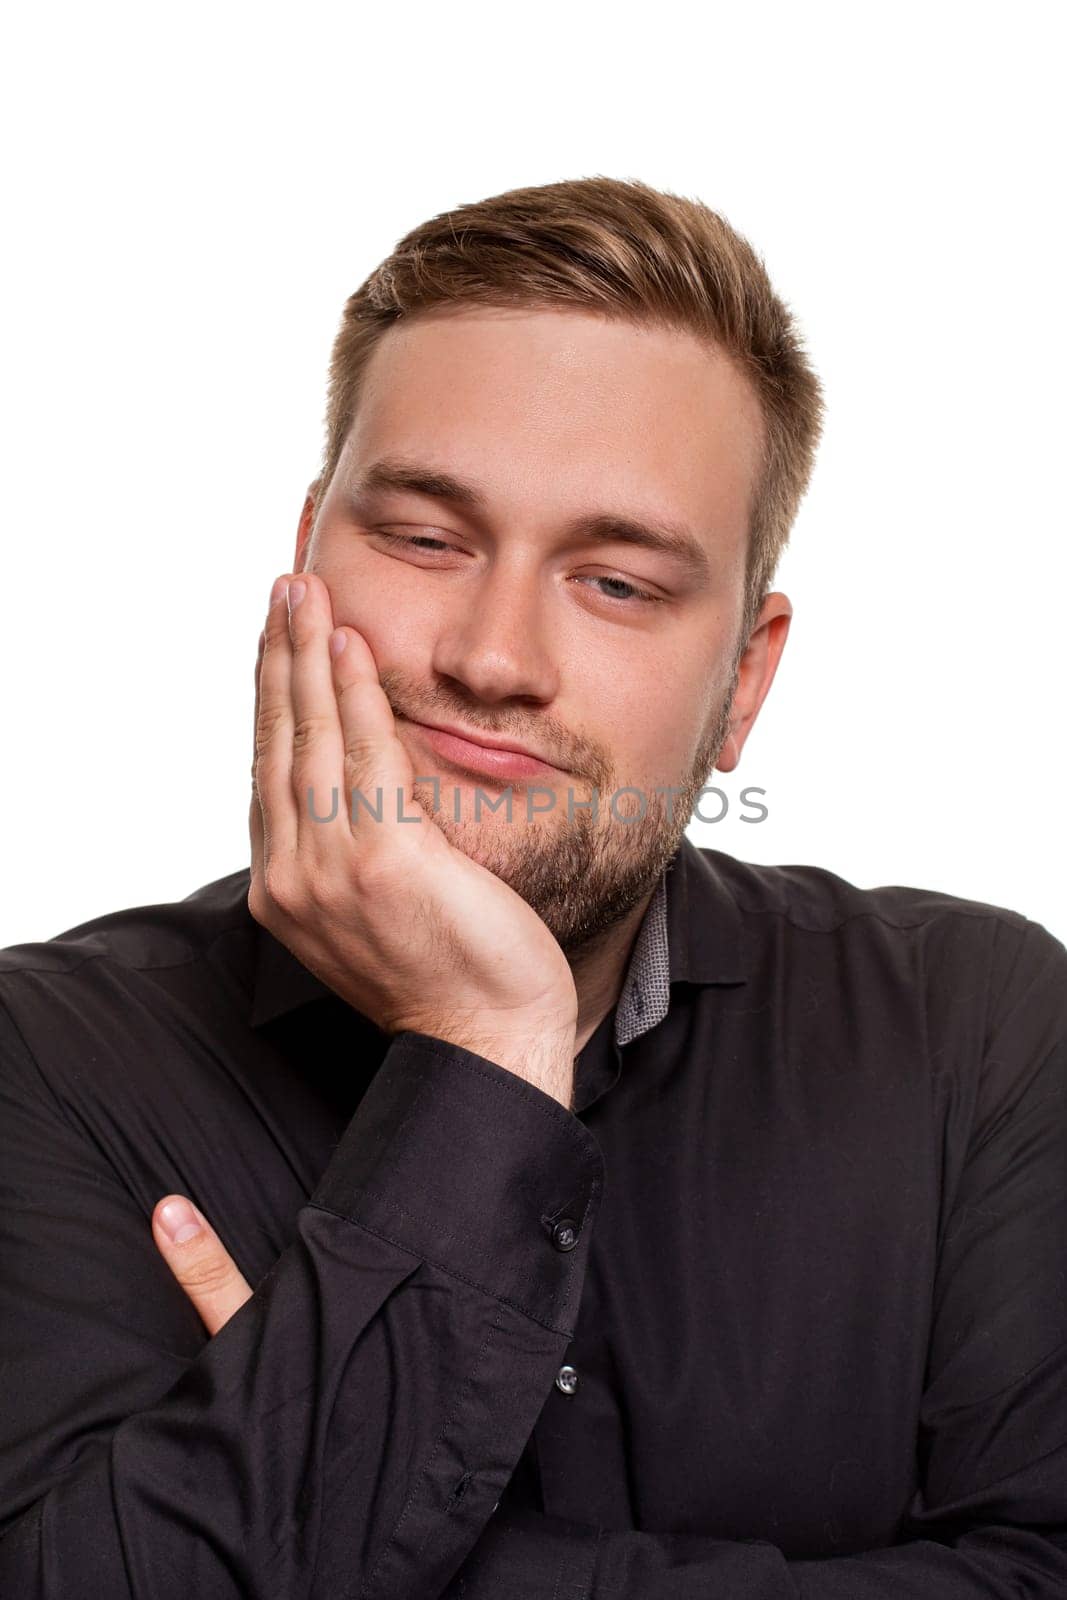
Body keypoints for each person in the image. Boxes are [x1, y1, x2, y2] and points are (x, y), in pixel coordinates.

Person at [0, 175, 1064, 1599]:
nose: (494, 657)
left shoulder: (980, 1033)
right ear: (304, 563)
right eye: (428, 539)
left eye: (619, 582)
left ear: (743, 683)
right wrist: (487, 1048)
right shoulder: (40, 1062)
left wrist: (360, 1513)